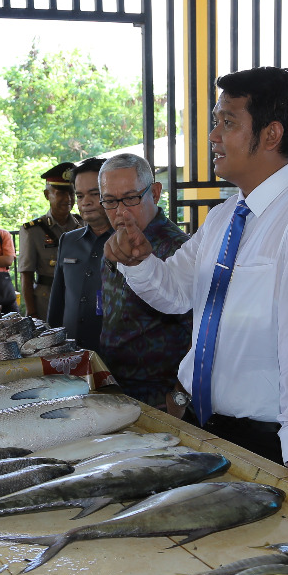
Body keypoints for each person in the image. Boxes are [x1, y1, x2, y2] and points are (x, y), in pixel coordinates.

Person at [105, 66, 288, 489]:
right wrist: (140, 263)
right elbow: (178, 293)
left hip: (266, 436)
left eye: (227, 122)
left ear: (271, 135)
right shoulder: (225, 216)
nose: (213, 136)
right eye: (215, 122)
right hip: (205, 421)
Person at [97, 154, 194, 408]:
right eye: (110, 201)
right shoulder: (116, 242)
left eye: (131, 198)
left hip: (161, 397)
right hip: (116, 387)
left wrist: (179, 399)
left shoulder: (180, 250)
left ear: (155, 192)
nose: (120, 211)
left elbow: (202, 337)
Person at [47, 159, 110, 352]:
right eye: (80, 196)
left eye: (94, 194)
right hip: (71, 353)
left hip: (115, 354)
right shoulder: (68, 240)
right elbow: (57, 300)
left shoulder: (130, 243)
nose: (85, 202)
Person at [20, 162, 82, 320]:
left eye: (72, 193)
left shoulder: (84, 225)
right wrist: (31, 312)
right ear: (47, 195)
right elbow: (26, 276)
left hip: (79, 298)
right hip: (46, 301)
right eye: (61, 193)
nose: (68, 199)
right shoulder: (33, 231)